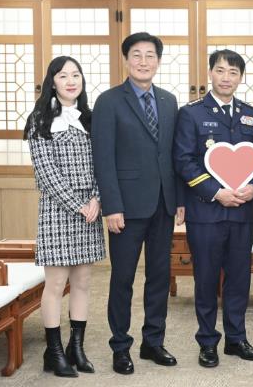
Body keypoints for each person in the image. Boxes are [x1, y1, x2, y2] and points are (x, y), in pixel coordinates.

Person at [92, 32, 184, 375]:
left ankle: (153, 342)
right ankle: (120, 346)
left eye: (150, 55)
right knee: (123, 279)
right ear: (126, 60)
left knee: (159, 276)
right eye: (137, 55)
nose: (143, 61)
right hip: (126, 207)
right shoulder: (109, 101)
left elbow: (174, 155)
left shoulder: (169, 101)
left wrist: (179, 200)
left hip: (163, 203)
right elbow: (103, 158)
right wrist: (112, 205)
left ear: (158, 61)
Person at [173, 49, 253, 368]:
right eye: (221, 70)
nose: (227, 78)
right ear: (210, 73)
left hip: (242, 212)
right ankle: (207, 341)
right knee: (206, 279)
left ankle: (236, 339)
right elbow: (183, 161)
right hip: (206, 213)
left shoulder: (250, 114)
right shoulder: (191, 113)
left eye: (233, 72)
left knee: (239, 278)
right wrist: (216, 192)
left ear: (241, 78)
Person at [24, 56, 105, 377]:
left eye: (76, 75)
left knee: (83, 282)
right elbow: (46, 173)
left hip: (90, 210)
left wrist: (96, 198)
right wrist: (78, 204)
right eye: (63, 75)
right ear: (52, 82)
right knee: (56, 284)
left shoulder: (90, 118)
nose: (71, 81)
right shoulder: (40, 119)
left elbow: (103, 163)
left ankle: (76, 348)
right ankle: (54, 352)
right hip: (58, 210)